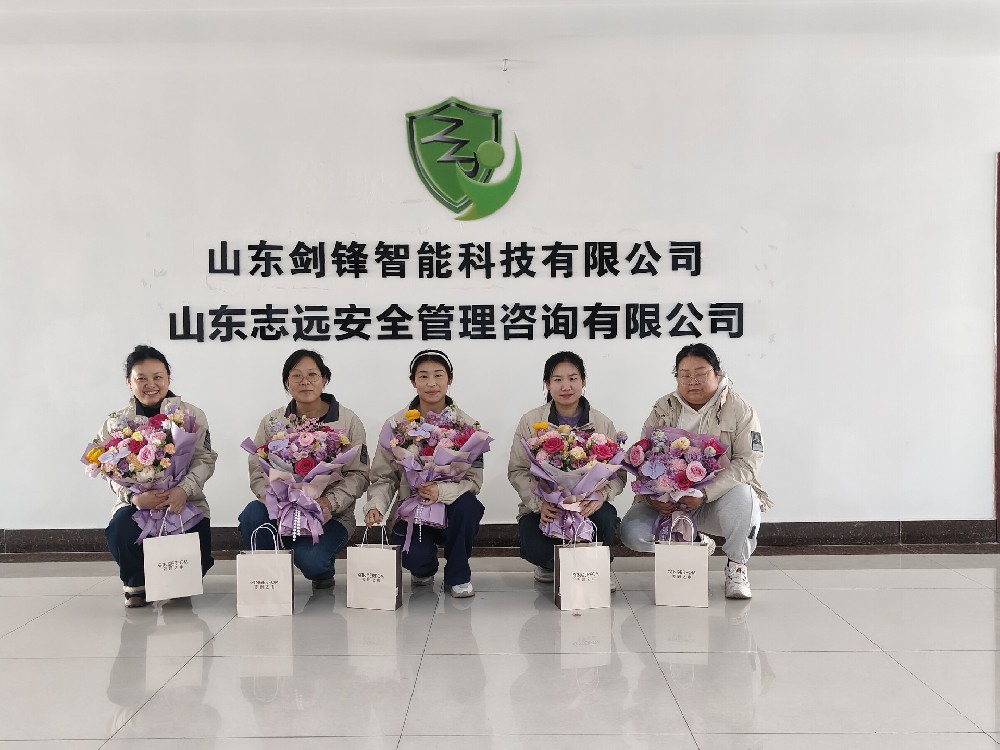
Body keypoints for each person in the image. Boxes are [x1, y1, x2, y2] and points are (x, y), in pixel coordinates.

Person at [620, 343, 772, 599]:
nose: (693, 381)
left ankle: (736, 566)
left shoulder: (740, 409)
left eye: (700, 373)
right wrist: (653, 497)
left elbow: (748, 462)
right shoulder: (664, 407)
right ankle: (694, 541)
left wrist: (706, 493)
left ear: (717, 373)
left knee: (745, 499)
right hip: (667, 502)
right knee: (632, 533)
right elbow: (644, 455)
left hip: (715, 500)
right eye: (685, 375)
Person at [238, 349, 369, 590]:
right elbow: (257, 468)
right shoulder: (273, 422)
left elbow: (359, 474)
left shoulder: (347, 420)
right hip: (281, 510)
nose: (304, 381)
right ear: (287, 382)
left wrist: (329, 502)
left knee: (312, 560)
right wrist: (277, 500)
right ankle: (269, 581)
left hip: (331, 515)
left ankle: (322, 570)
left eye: (312, 375)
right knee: (252, 515)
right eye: (296, 376)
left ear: (324, 379)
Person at [99, 345, 216, 608]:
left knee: (190, 568)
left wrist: (183, 490)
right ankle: (136, 584)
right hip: (138, 501)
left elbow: (205, 459)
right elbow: (107, 470)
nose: (150, 385)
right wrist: (133, 497)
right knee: (120, 527)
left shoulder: (191, 415)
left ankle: (177, 581)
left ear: (168, 377)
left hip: (183, 500)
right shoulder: (115, 422)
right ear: (129, 382)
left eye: (158, 377)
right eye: (141, 378)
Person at [363, 349, 485, 598]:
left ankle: (458, 575)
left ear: (450, 379)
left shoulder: (467, 426)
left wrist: (440, 491)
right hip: (412, 509)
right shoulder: (396, 425)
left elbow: (473, 481)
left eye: (438, 375)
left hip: (452, 508)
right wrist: (376, 505)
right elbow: (384, 476)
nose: (431, 383)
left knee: (469, 507)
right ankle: (424, 568)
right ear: (413, 381)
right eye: (423, 376)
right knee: (414, 558)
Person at [508, 351, 626, 587]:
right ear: (547, 384)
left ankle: (595, 567)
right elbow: (518, 470)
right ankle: (550, 565)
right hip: (547, 506)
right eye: (557, 379)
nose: (566, 386)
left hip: (586, 505)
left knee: (606, 521)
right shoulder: (531, 421)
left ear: (583, 381)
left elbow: (618, 473)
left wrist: (600, 495)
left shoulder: (601, 423)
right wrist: (539, 503)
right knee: (534, 543)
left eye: (573, 378)